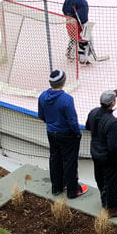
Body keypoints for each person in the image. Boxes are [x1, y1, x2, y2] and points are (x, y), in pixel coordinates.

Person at [38, 70, 88, 199]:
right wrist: (77, 133)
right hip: (66, 135)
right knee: (70, 162)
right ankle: (72, 191)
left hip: (51, 133)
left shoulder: (42, 96)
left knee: (55, 159)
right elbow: (72, 120)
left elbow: (41, 116)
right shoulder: (67, 100)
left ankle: (56, 188)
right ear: (63, 82)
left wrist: (51, 124)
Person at [85, 89, 117, 217]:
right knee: (112, 181)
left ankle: (104, 201)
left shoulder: (93, 113)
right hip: (107, 156)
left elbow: (87, 127)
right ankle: (112, 208)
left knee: (100, 178)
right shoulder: (112, 122)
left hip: (95, 152)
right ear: (112, 103)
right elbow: (112, 146)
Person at [63, 0, 92, 65]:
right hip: (78, 26)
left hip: (69, 23)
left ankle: (70, 54)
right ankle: (83, 58)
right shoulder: (82, 2)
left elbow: (64, 10)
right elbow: (83, 16)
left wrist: (70, 16)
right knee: (84, 40)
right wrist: (84, 23)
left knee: (72, 37)